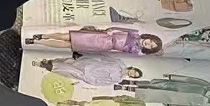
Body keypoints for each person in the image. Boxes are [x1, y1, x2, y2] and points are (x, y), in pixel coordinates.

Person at [116, 75, 210, 106]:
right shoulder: (209, 86)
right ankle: (129, 82)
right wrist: (174, 77)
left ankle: (124, 89)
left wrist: (172, 105)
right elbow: (191, 80)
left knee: (150, 94)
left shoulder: (209, 105)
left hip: (175, 98)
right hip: (177, 86)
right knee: (153, 84)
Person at [26, 28, 164, 56]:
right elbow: (119, 28)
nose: (148, 44)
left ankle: (38, 42)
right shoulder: (134, 33)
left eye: (151, 46)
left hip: (102, 46)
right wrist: (111, 30)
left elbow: (118, 50)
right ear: (149, 37)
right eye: (151, 42)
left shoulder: (134, 50)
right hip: (101, 36)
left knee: (68, 45)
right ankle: (43, 35)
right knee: (67, 36)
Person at [35, 56, 142, 87]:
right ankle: (48, 62)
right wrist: (88, 57)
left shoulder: (117, 79)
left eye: (134, 76)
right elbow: (103, 57)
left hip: (87, 75)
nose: (132, 74)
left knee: (65, 70)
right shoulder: (119, 63)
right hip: (88, 63)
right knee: (67, 61)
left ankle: (44, 65)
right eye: (134, 72)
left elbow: (101, 82)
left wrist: (88, 79)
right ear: (133, 68)